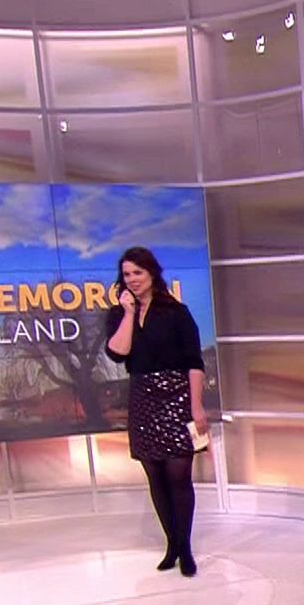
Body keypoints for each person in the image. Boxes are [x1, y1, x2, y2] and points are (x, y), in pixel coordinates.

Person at [104, 246, 208, 577]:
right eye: (127, 274)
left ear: (152, 273)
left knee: (179, 475)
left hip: (177, 396)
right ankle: (171, 545)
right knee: (156, 476)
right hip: (143, 399)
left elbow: (194, 362)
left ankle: (186, 548)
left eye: (138, 272)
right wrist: (129, 314)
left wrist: (196, 406)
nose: (132, 279)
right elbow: (117, 353)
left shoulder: (177, 312)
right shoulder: (119, 313)